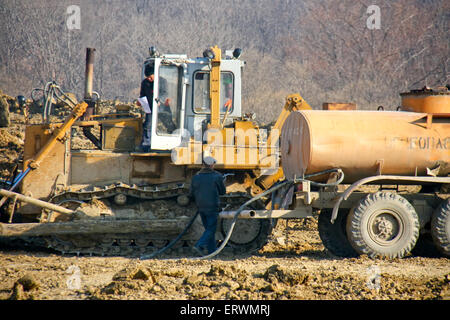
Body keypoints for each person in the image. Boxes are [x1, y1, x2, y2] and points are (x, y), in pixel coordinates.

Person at [189, 156, 226, 256]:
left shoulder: (196, 177)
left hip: (201, 207)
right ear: (211, 165)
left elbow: (191, 193)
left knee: (209, 230)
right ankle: (199, 245)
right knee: (211, 229)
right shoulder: (217, 176)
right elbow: (222, 192)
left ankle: (212, 252)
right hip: (212, 207)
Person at [137, 63, 155, 152]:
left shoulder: (161, 81)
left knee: (168, 123)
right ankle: (147, 144)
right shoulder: (145, 83)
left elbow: (164, 93)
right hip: (150, 108)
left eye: (150, 76)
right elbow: (142, 95)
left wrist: (163, 101)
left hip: (162, 107)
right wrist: (140, 101)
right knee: (148, 125)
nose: (149, 78)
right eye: (147, 77)